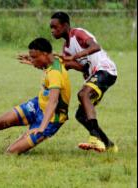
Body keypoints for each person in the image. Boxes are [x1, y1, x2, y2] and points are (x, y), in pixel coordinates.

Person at [49, 11, 118, 152]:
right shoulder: (66, 48)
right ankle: (109, 145)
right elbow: (83, 67)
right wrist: (41, 62)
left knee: (83, 94)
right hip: (94, 74)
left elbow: (95, 47)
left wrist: (74, 57)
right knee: (81, 116)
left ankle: (94, 137)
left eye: (55, 27)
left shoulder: (78, 33)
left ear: (65, 25)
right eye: (51, 28)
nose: (52, 31)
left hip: (106, 70)